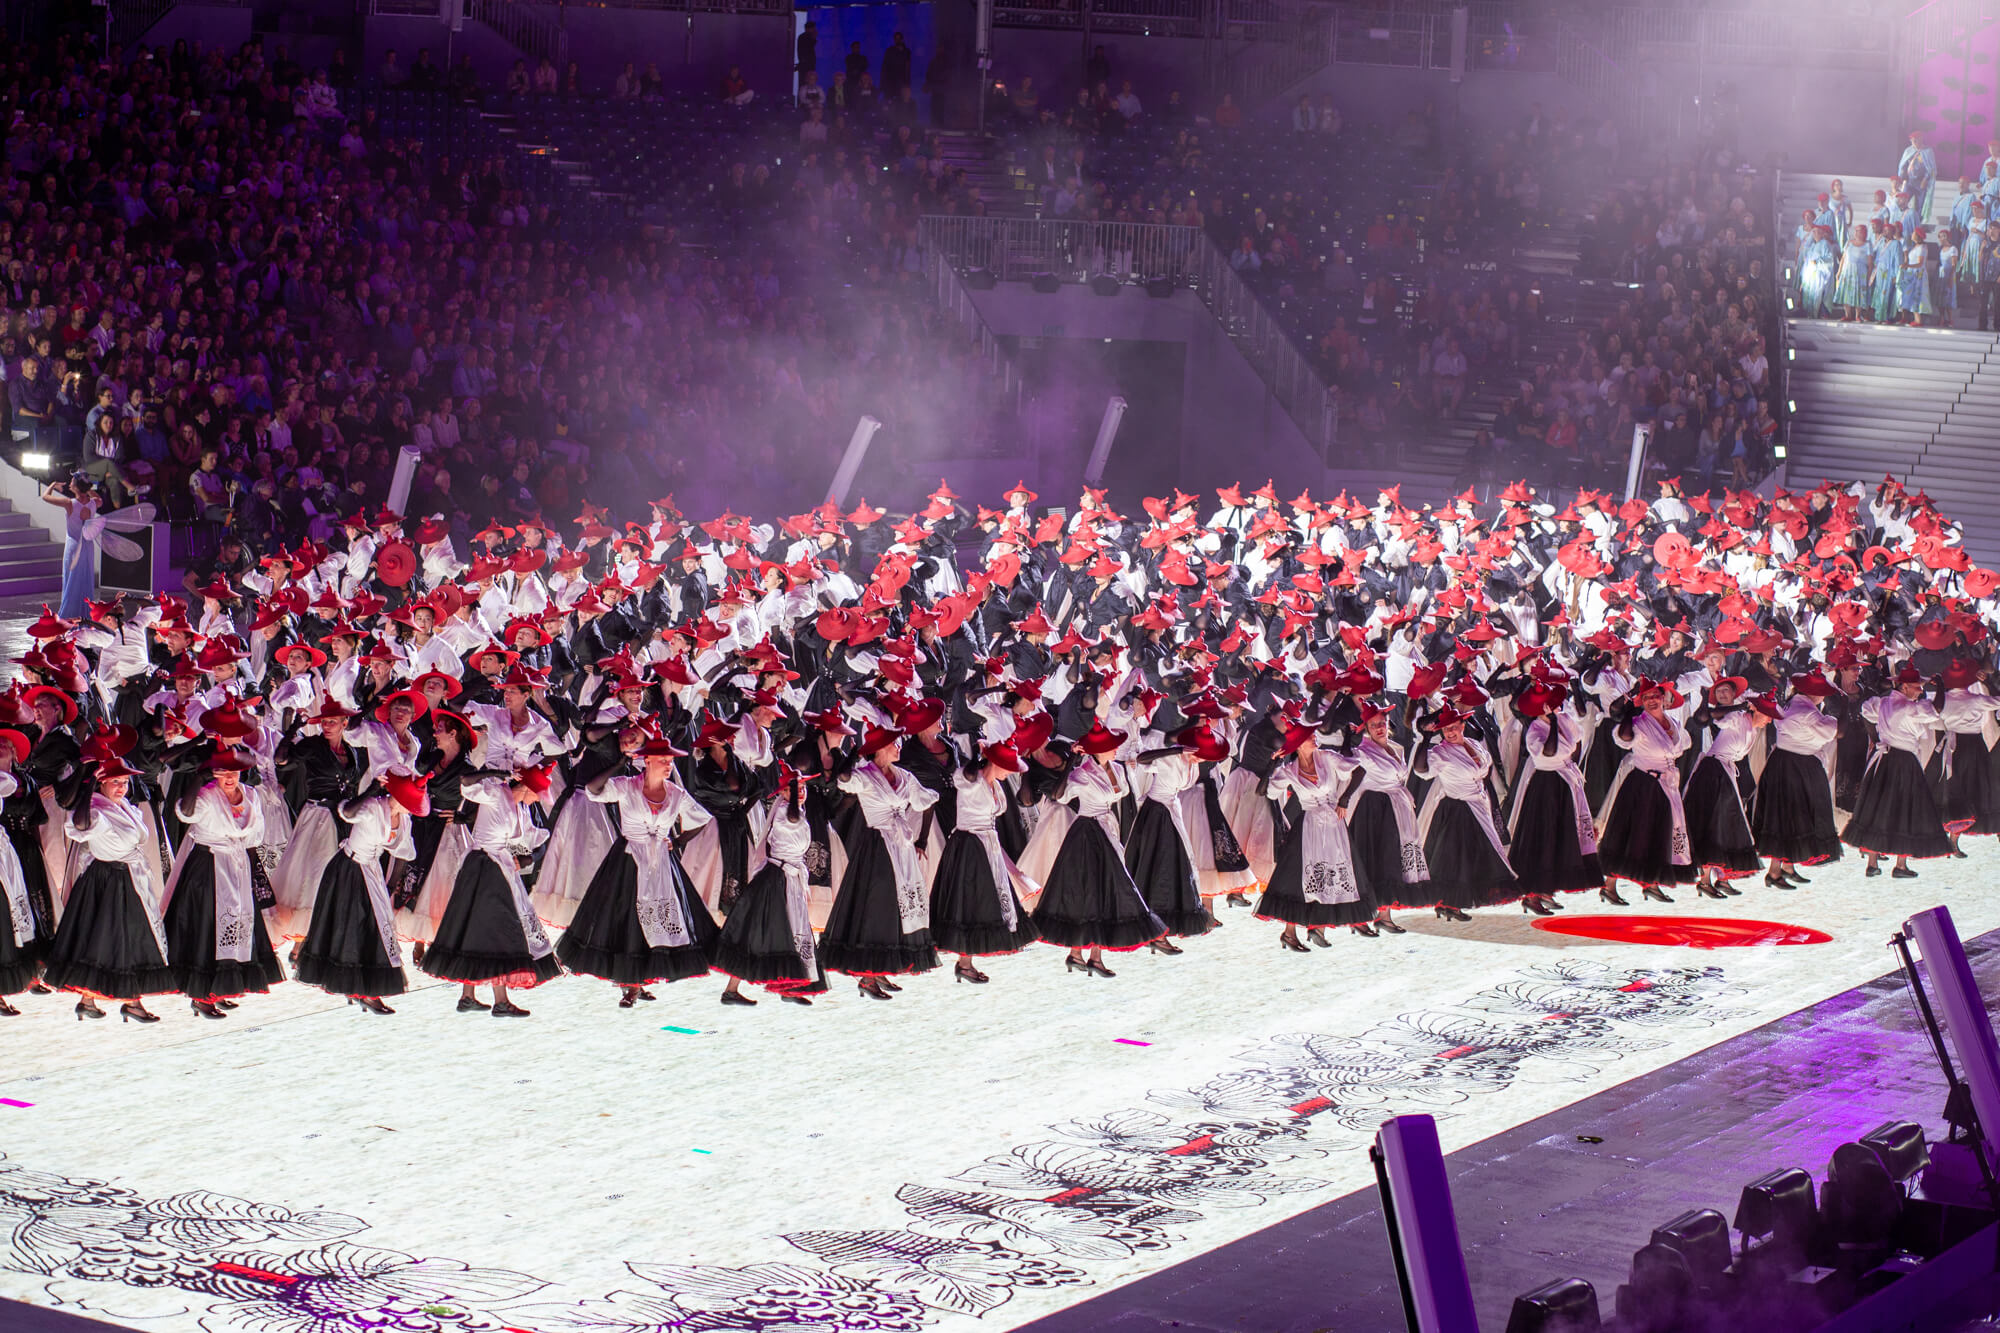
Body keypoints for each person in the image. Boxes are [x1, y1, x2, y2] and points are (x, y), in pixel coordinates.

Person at [557, 733, 719, 1007]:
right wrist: (619, 763)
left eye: (670, 761)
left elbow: (701, 818)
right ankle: (629, 984)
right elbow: (593, 789)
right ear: (647, 761)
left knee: (658, 915)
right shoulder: (626, 786)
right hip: (629, 859)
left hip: (661, 863)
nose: (669, 765)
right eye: (663, 760)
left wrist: (677, 842)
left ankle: (642, 978)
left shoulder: (676, 794)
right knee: (628, 918)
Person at [420, 763, 562, 1016]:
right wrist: (496, 774)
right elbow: (466, 783)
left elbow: (534, 837)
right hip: (484, 866)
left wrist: (529, 858)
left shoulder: (519, 809)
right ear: (527, 787)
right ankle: (496, 1000)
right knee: (494, 929)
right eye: (535, 793)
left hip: (498, 866)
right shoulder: (497, 792)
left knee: (484, 930)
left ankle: (473, 996)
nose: (536, 800)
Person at [41, 757, 171, 1022]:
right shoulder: (95, 808)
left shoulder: (124, 806)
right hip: (108, 880)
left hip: (129, 878)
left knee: (127, 937)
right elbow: (78, 826)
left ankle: (108, 1000)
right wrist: (88, 786)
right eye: (115, 782)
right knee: (106, 938)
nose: (121, 787)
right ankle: (112, 1000)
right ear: (102, 783)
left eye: (124, 782)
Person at [294, 768, 428, 1012]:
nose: (411, 807)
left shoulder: (404, 819)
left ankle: (365, 989)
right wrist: (370, 791)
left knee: (375, 927)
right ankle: (363, 990)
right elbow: (346, 812)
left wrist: (390, 888)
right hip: (349, 870)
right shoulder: (372, 807)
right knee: (354, 929)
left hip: (372, 872)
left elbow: (402, 854)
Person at [163, 750, 282, 1018]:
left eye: (233, 772)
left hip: (237, 867)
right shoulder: (206, 795)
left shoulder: (251, 795)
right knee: (208, 928)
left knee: (236, 925)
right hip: (209, 868)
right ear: (213, 773)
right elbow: (186, 812)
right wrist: (197, 780)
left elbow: (253, 837)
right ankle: (201, 994)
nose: (228, 778)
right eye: (222, 772)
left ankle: (221, 987)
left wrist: (254, 877)